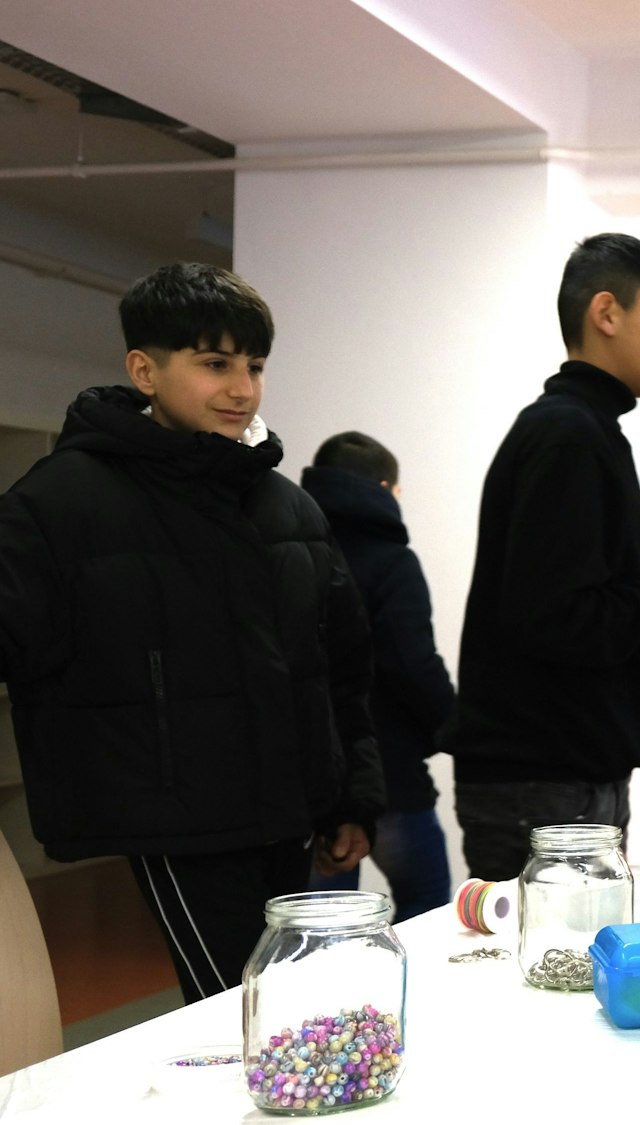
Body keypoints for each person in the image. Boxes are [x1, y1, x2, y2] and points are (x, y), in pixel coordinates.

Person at [0, 263, 382, 1004]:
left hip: (289, 815)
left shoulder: (286, 507)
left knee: (290, 1012)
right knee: (241, 1013)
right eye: (215, 363)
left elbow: (339, 667)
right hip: (178, 822)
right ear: (144, 370)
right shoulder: (60, 502)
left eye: (255, 365)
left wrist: (351, 797)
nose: (242, 388)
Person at [446, 233, 640, 880]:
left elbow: (580, 632)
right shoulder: (567, 435)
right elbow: (554, 618)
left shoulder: (586, 431)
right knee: (552, 974)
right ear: (606, 313)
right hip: (544, 785)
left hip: (564, 780)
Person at [301, 432, 454, 922]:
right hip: (393, 774)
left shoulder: (292, 552)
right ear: (386, 488)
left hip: (315, 777)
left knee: (322, 932)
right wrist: (454, 728)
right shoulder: (392, 562)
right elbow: (414, 664)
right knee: (425, 916)